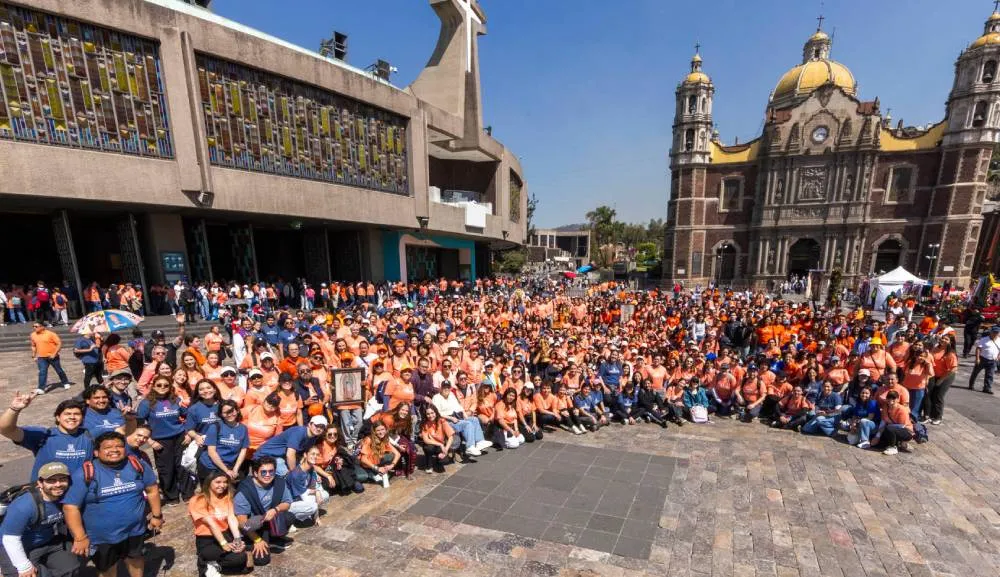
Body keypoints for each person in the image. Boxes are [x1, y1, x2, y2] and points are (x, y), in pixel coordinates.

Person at [62, 431, 162, 577]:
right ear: (96, 452)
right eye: (108, 447)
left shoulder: (137, 465)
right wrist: (80, 537)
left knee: (136, 559)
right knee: (106, 568)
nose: (114, 450)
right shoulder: (85, 473)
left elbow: (152, 489)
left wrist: (157, 515)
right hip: (101, 537)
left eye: (119, 446)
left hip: (135, 530)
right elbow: (70, 507)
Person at [0, 462, 80, 577]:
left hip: (48, 540)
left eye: (62, 479)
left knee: (70, 568)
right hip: (17, 545)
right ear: (40, 483)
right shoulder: (25, 505)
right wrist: (24, 566)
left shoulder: (68, 495)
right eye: (51, 480)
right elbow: (10, 539)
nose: (58, 484)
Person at [1, 395, 92, 482]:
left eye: (76, 414)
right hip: (47, 493)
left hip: (80, 493)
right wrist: (14, 409)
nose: (72, 417)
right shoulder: (44, 435)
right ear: (58, 417)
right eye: (67, 414)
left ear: (82, 418)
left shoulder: (89, 436)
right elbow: (7, 430)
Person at [136, 376, 188, 504]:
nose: (162, 388)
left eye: (166, 385)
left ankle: (187, 493)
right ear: (153, 386)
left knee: (183, 466)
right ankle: (172, 496)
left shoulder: (175, 400)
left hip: (179, 437)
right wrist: (150, 441)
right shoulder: (146, 403)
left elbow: (187, 415)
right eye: (159, 385)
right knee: (166, 469)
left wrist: (188, 433)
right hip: (160, 440)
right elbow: (139, 424)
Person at [188, 470, 251, 577]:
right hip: (207, 539)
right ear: (209, 482)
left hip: (225, 534)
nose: (222, 485)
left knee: (241, 558)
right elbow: (211, 524)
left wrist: (237, 539)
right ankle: (206, 561)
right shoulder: (198, 500)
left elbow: (231, 518)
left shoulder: (227, 498)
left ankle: (215, 563)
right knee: (215, 553)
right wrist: (223, 543)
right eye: (218, 482)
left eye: (225, 482)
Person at [234, 457, 293, 568]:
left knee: (289, 516)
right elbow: (242, 523)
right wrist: (257, 540)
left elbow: (287, 502)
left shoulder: (279, 482)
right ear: (255, 473)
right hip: (252, 527)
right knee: (262, 561)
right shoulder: (244, 490)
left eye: (271, 471)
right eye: (263, 472)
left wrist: (276, 509)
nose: (268, 475)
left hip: (269, 521)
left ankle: (274, 539)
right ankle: (249, 544)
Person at [430, 380, 491, 456]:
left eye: (448, 387)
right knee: (467, 424)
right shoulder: (436, 397)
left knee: (474, 419)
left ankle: (479, 442)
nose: (446, 389)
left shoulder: (451, 394)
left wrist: (464, 413)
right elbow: (437, 413)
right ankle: (470, 447)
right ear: (441, 388)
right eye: (444, 387)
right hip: (446, 421)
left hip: (456, 416)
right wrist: (451, 418)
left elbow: (458, 406)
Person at [254, 415, 327, 476]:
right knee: (289, 476)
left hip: (281, 457)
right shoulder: (299, 432)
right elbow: (290, 454)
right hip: (265, 455)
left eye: (322, 427)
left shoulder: (313, 438)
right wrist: (295, 473)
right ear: (309, 424)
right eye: (316, 425)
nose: (319, 429)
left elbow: (303, 456)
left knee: (303, 472)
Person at [198, 400, 249, 482]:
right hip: (210, 467)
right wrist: (226, 471)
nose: (229, 415)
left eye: (232, 411)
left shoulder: (243, 429)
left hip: (230, 466)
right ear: (221, 414)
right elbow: (212, 452)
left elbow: (243, 450)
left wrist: (235, 469)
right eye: (225, 412)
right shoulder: (215, 427)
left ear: (238, 410)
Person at [285, 445, 330, 524]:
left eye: (317, 454)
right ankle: (293, 519)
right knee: (313, 505)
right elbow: (304, 495)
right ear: (305, 455)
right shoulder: (296, 474)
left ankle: (310, 515)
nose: (315, 456)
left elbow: (312, 488)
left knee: (325, 495)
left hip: (301, 496)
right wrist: (316, 492)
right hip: (290, 503)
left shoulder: (311, 469)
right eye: (312, 454)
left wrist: (317, 492)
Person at [29, 322, 71, 394]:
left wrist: (54, 353)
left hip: (52, 356)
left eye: (36, 326)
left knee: (59, 370)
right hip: (41, 357)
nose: (34, 328)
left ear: (42, 327)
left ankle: (65, 382)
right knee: (42, 372)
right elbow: (33, 345)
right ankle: (41, 388)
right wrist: (34, 355)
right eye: (33, 326)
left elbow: (59, 343)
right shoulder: (33, 335)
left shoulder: (51, 334)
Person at [356, 422, 400, 488]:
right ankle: (372, 474)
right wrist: (377, 468)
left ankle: (375, 473)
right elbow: (363, 459)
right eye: (378, 430)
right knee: (362, 477)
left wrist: (392, 465)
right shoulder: (369, 440)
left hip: (373, 461)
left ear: (386, 429)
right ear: (374, 431)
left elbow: (397, 454)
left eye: (382, 429)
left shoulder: (385, 439)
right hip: (361, 464)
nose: (381, 432)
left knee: (391, 456)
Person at [927, 335, 958, 425]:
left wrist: (941, 380)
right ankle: (932, 414)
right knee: (932, 394)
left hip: (946, 377)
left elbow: (953, 369)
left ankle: (938, 417)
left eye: (946, 339)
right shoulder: (935, 348)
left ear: (950, 342)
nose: (943, 340)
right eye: (942, 338)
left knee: (939, 396)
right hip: (934, 375)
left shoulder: (950, 353)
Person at [871, 391, 913, 455]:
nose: (891, 400)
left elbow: (902, 425)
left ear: (898, 399)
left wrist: (886, 427)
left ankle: (893, 447)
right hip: (891, 428)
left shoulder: (902, 409)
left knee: (889, 428)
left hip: (906, 431)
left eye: (893, 398)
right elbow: (883, 420)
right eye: (889, 397)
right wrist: (877, 436)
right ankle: (899, 443)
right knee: (877, 444)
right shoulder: (885, 406)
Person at [419, 404, 457, 473]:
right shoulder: (425, 423)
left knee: (444, 461)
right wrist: (440, 444)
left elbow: (450, 437)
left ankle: (438, 460)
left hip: (441, 445)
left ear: (436, 412)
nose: (430, 416)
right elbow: (426, 440)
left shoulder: (442, 421)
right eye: (428, 414)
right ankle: (429, 464)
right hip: (431, 444)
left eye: (432, 413)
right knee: (428, 448)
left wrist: (445, 450)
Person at [969, 325, 1000, 394]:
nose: (995, 334)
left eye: (997, 333)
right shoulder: (984, 339)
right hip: (982, 359)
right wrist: (977, 358)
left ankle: (987, 388)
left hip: (993, 360)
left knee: (990, 375)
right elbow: (978, 349)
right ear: (991, 332)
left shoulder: (999, 340)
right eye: (994, 332)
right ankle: (971, 385)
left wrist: (998, 356)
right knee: (975, 372)